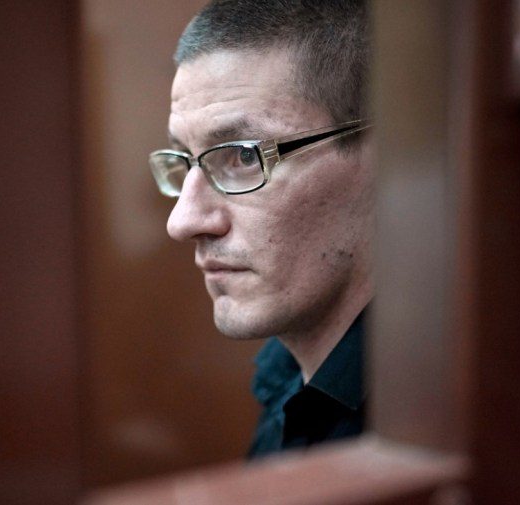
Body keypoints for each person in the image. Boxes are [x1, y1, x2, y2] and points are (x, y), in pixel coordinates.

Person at [148, 0, 373, 458]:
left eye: (243, 155)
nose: (182, 221)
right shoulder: (284, 381)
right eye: (184, 161)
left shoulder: (436, 421)